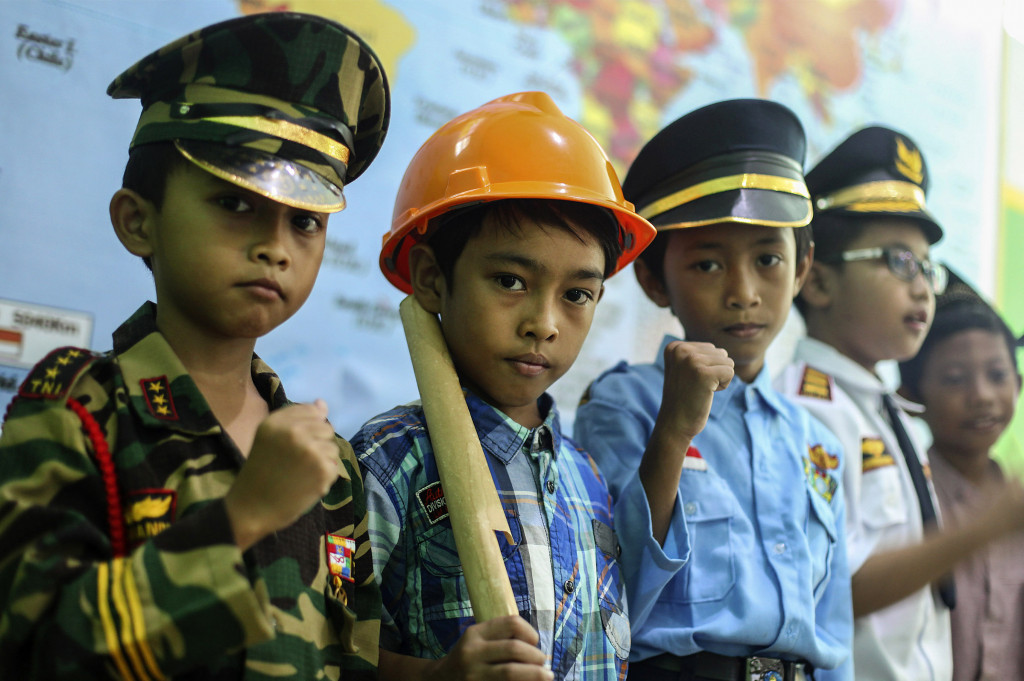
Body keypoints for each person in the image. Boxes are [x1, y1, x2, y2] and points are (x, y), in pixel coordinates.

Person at [0, 12, 389, 679]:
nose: (275, 246)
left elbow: (353, 660)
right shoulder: (78, 407)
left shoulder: (329, 461)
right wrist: (241, 516)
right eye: (235, 203)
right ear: (137, 220)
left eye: (305, 220)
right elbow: (32, 650)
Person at [351, 91, 656, 681]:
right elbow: (328, 655)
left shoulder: (585, 477)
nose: (544, 323)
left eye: (577, 294)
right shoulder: (389, 462)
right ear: (432, 281)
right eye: (511, 280)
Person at [574, 98, 852, 681]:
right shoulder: (626, 406)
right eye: (706, 265)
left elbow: (832, 629)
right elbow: (612, 589)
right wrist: (674, 430)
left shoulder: (817, 442)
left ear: (802, 270)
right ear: (653, 279)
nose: (743, 292)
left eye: (769, 259)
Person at [775, 125, 1021, 681]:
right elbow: (841, 587)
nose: (922, 290)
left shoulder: (889, 414)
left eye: (926, 268)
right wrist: (987, 524)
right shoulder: (809, 410)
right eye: (898, 261)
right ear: (816, 281)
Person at [897, 269, 1024, 681]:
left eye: (998, 375)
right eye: (955, 379)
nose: (982, 396)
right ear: (912, 395)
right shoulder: (904, 496)